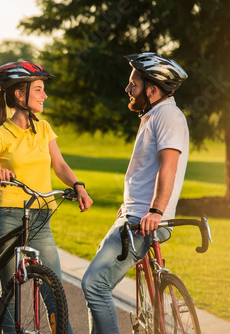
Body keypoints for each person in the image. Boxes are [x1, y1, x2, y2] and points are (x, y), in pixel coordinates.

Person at [0, 61, 93, 333]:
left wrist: (79, 186)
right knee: (11, 297)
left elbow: (60, 166)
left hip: (40, 218)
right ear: (19, 94)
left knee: (55, 296)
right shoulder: (0, 133)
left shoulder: (44, 129)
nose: (45, 95)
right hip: (8, 218)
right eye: (39, 89)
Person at [81, 52, 189, 333]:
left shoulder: (167, 116)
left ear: (152, 90)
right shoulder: (154, 114)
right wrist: (130, 203)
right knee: (98, 273)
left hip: (144, 220)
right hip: (134, 214)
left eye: (134, 85)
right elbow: (147, 169)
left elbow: (169, 167)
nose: (127, 89)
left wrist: (155, 210)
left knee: (94, 284)